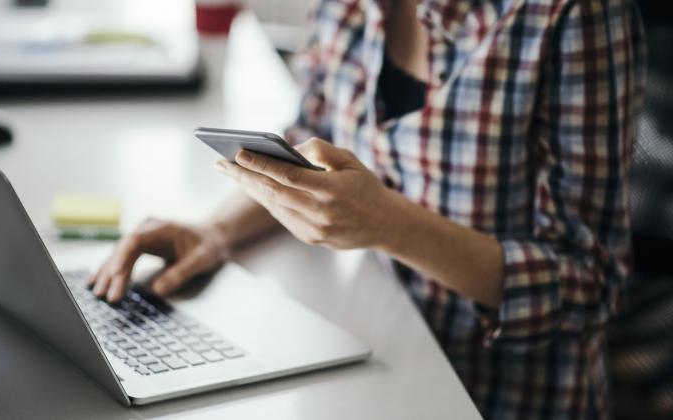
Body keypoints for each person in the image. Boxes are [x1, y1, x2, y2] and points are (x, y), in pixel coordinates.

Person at [88, 0, 645, 418]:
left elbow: (592, 283)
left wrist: (393, 226)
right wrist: (213, 231)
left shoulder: (575, 15)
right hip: (373, 362)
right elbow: (315, 135)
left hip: (499, 396)